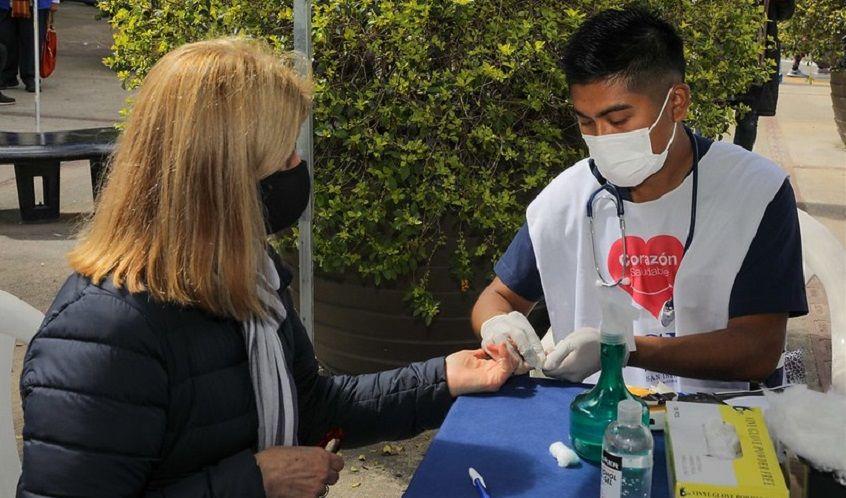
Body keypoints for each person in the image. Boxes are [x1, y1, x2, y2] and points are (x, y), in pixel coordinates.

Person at [16, 38, 518, 498]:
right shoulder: (105, 330)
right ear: (226, 180)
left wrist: (443, 378)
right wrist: (255, 481)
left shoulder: (248, 275)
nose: (298, 167)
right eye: (284, 156)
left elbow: (314, 408)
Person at [471, 7, 808, 394]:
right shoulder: (568, 196)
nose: (601, 138)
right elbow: (496, 297)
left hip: (718, 419)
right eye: (585, 122)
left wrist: (621, 349)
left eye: (618, 121)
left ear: (677, 103)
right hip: (597, 415)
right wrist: (499, 324)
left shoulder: (754, 193)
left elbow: (759, 350)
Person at [733, 0, 795, 151]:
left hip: (756, 56)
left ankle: (740, 168)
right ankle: (702, 165)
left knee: (747, 120)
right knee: (711, 117)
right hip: (720, 48)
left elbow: (785, 13)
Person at [0, 0, 59, 93]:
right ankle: (6, 75)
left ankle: (30, 76)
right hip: (5, 4)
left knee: (32, 41)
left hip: (36, 5)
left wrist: (55, 1)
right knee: (6, 39)